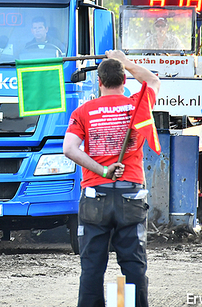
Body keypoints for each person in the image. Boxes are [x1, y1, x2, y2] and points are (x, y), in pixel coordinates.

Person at [62, 49, 160, 307]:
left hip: (96, 197)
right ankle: (127, 304)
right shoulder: (137, 106)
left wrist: (102, 170)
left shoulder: (84, 111)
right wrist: (125, 61)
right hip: (131, 195)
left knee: (92, 266)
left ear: (99, 82)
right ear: (124, 81)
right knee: (132, 265)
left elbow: (69, 149)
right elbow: (152, 81)